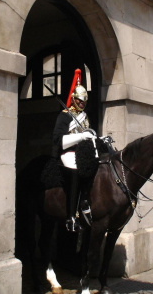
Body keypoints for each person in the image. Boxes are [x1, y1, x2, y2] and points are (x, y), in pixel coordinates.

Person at [52, 69, 96, 232]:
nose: (82, 103)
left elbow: (88, 133)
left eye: (84, 100)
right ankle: (71, 216)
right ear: (73, 99)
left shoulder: (85, 116)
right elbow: (59, 140)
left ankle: (85, 200)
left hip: (83, 152)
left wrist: (92, 136)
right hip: (68, 152)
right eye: (79, 100)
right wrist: (81, 137)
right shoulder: (64, 116)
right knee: (76, 171)